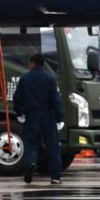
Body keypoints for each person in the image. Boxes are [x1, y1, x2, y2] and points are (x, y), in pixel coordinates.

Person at [13, 53, 64, 185]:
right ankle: (55, 177)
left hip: (31, 116)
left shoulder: (25, 78)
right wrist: (60, 118)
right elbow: (56, 99)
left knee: (30, 144)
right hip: (48, 116)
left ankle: (31, 163)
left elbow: (17, 98)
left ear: (32, 63)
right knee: (53, 147)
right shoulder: (51, 78)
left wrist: (19, 113)